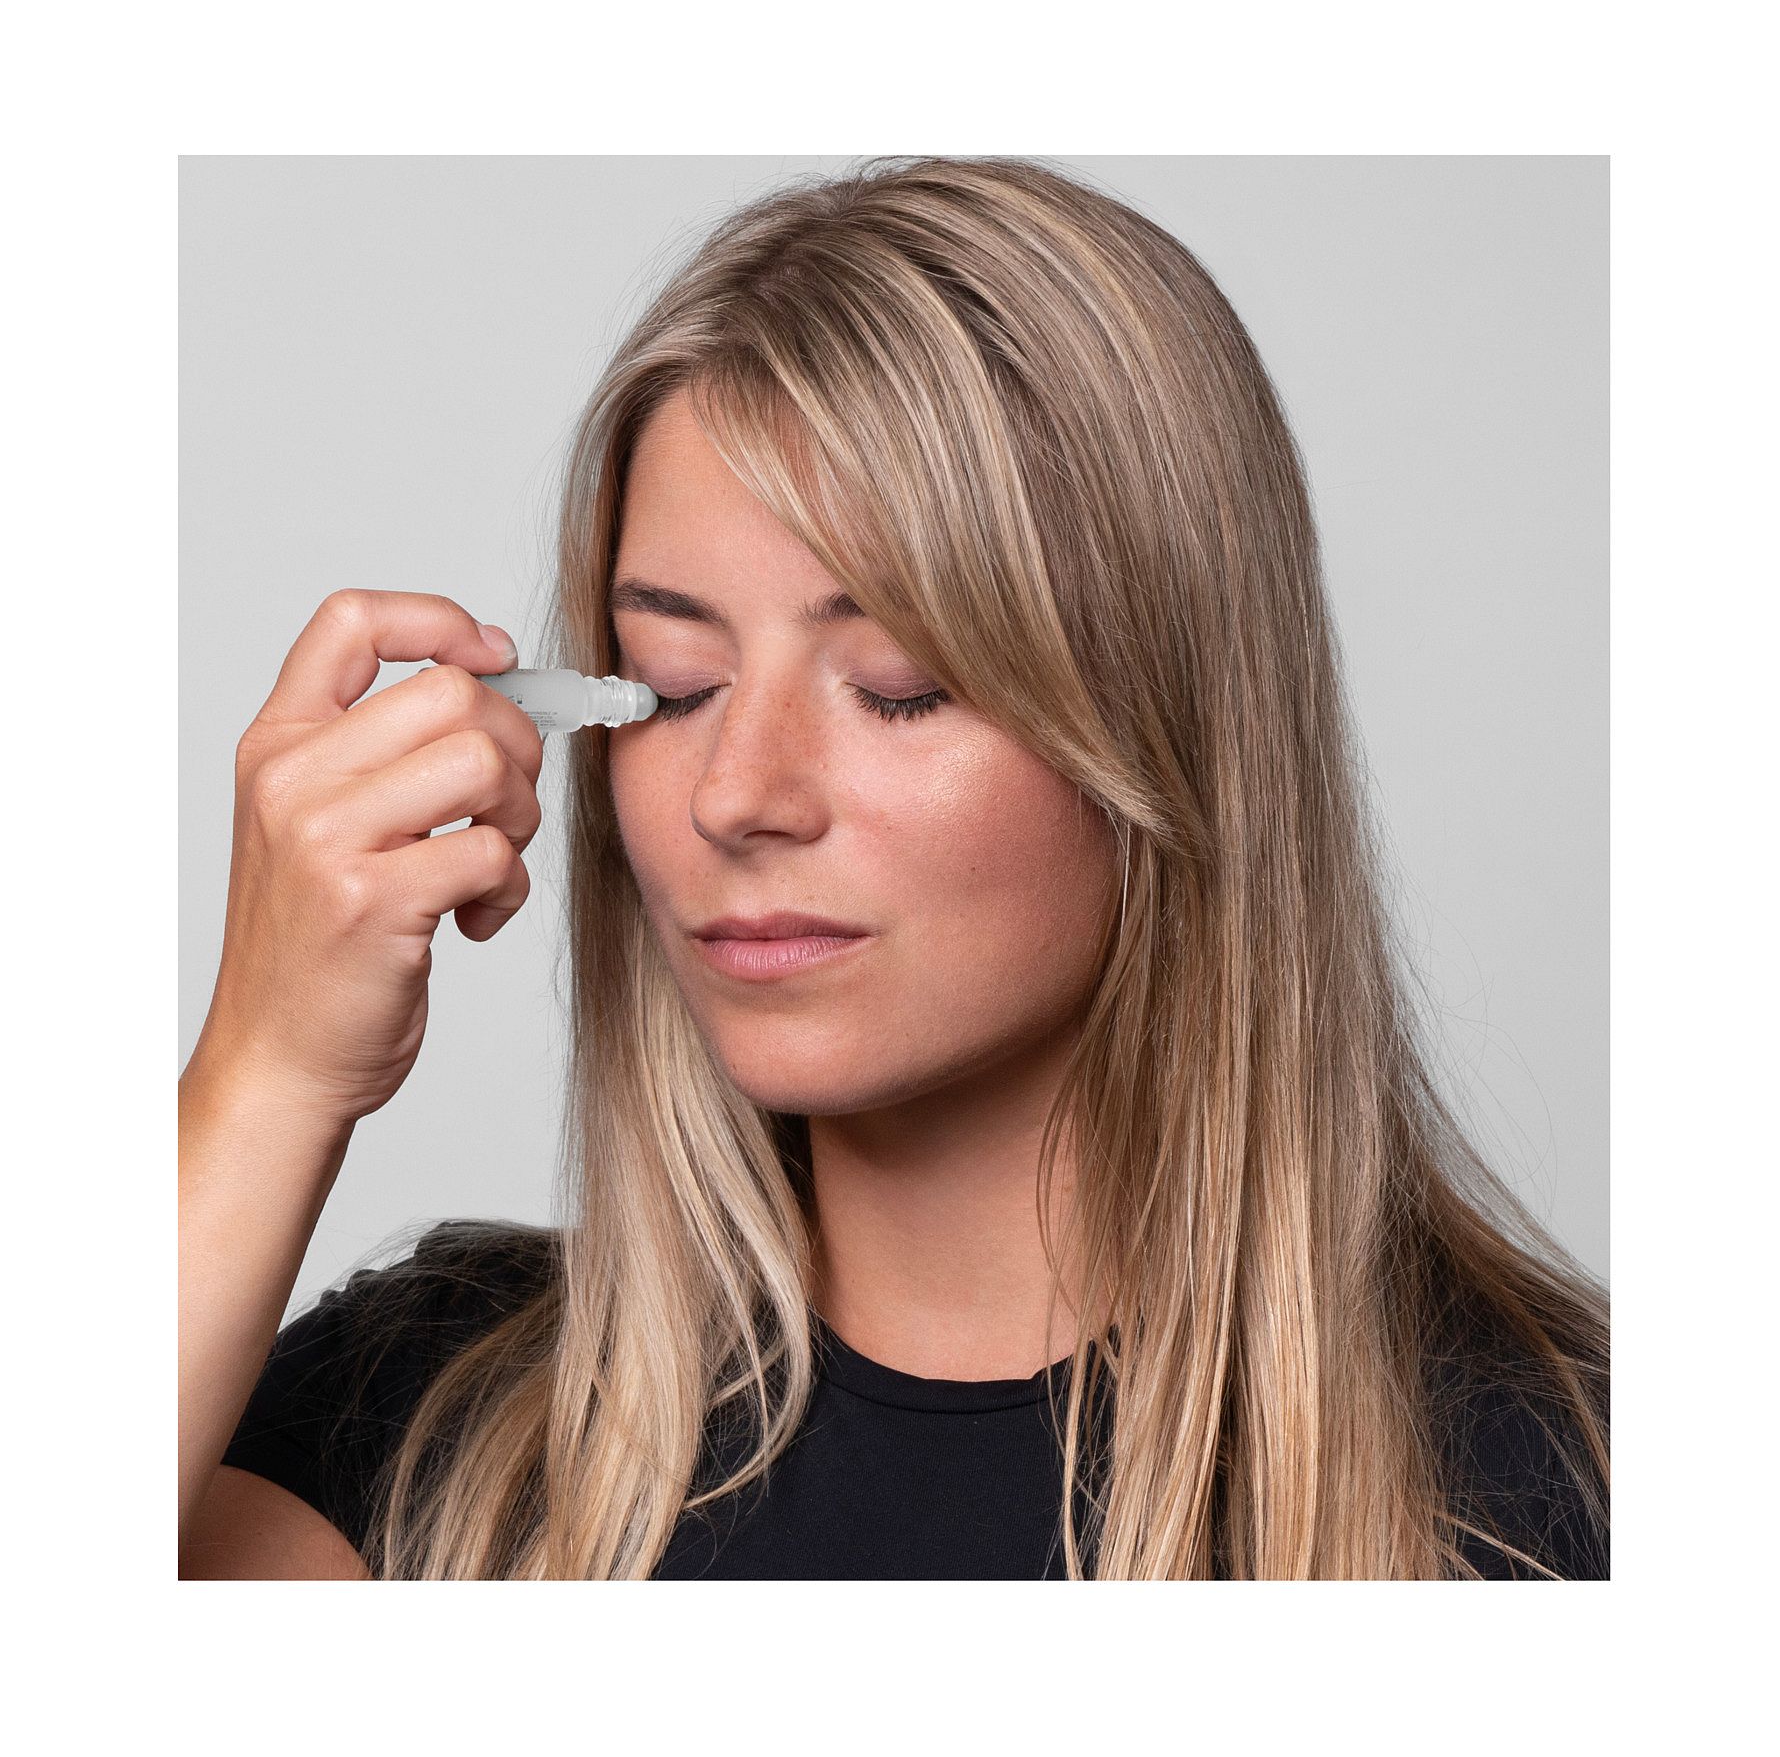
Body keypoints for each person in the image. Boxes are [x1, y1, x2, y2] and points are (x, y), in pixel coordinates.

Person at [178, 154, 1609, 1580]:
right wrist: (268, 1076)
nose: (737, 795)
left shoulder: (1567, 1495)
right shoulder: (431, 1436)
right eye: (671, 686)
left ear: (1167, 725)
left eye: (898, 686)